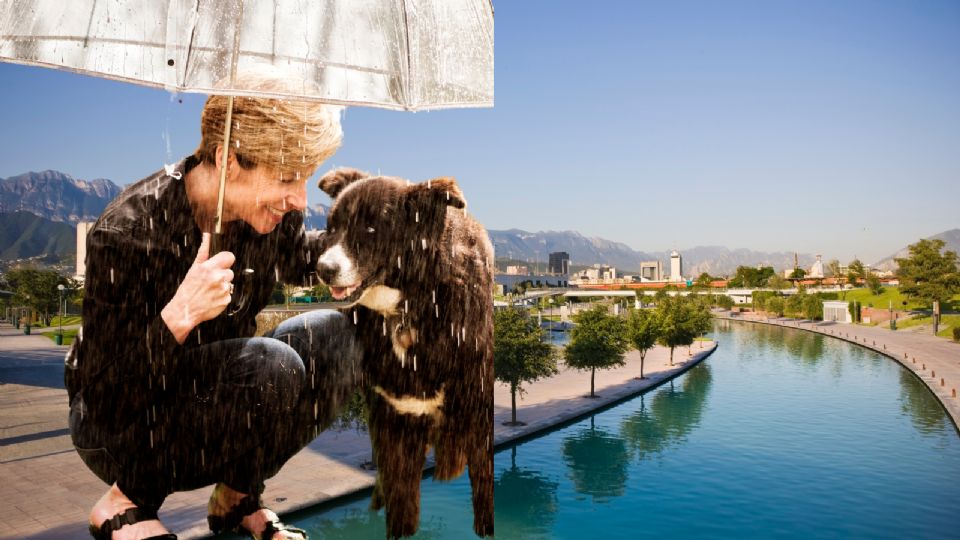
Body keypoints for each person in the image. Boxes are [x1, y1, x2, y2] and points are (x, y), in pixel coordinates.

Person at [66, 70, 359, 540]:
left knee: (339, 336)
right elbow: (104, 400)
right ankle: (126, 505)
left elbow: (307, 255)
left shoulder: (271, 217)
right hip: (119, 431)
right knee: (274, 365)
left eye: (303, 179)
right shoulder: (126, 233)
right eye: (286, 177)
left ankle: (238, 497)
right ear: (227, 158)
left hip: (219, 406)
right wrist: (177, 316)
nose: (298, 198)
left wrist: (381, 247)